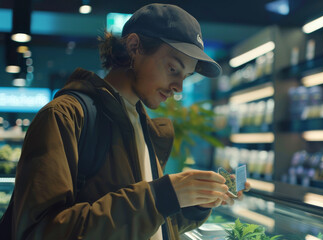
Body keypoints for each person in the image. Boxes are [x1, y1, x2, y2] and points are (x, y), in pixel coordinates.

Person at [0, 3, 250, 240]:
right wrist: (160, 196)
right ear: (134, 47)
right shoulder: (64, 116)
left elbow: (142, 225)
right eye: (173, 68)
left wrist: (194, 201)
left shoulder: (143, 124)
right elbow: (40, 232)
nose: (179, 87)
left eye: (186, 76)